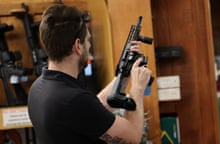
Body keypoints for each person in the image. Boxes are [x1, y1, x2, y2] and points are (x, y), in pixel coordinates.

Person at [28, 4, 152, 144]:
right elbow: (133, 136)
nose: (89, 45)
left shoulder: (38, 88)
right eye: (87, 40)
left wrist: (124, 74)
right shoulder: (73, 99)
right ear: (78, 46)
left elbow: (90, 109)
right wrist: (138, 87)